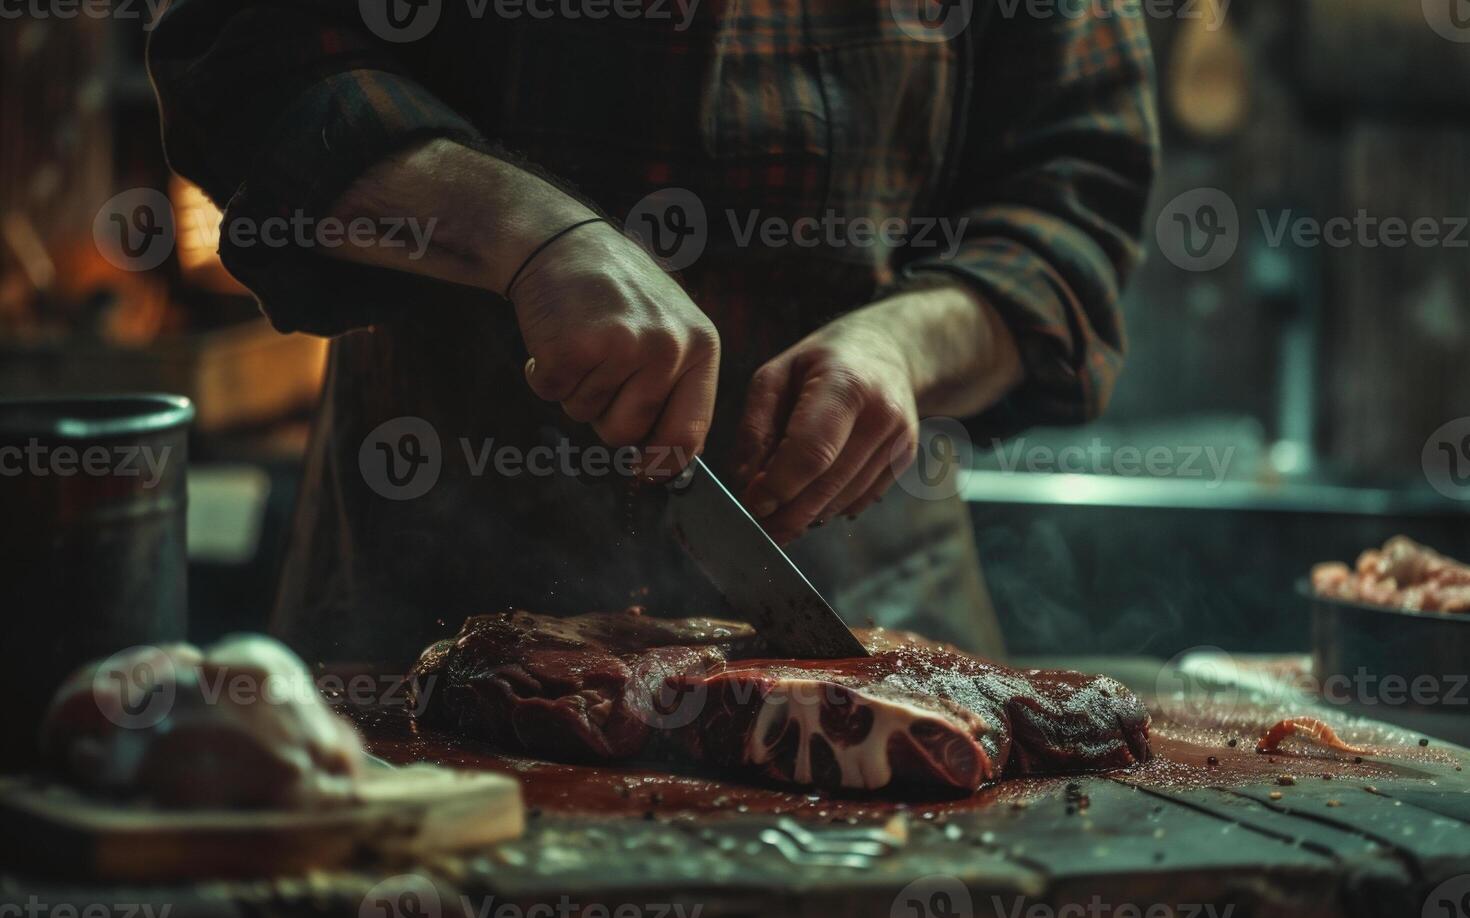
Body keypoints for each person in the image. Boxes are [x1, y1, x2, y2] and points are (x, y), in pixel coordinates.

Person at [147, 1, 1158, 663]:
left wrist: (909, 342)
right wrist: (526, 234)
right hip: (426, 600)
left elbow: (1073, 206)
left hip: (859, 601)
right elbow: (242, 61)